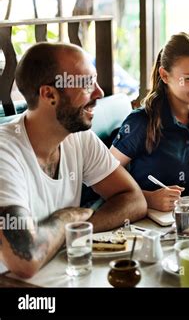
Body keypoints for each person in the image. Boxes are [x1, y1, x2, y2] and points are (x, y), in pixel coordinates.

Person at [0, 42, 147, 278]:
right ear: (49, 94)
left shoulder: (78, 138)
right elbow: (24, 257)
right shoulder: (4, 152)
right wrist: (67, 216)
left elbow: (134, 199)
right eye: (87, 83)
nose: (99, 93)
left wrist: (77, 231)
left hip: (60, 273)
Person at [111, 32, 189, 211]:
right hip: (147, 221)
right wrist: (148, 199)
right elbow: (102, 177)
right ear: (165, 76)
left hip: (188, 221)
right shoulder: (141, 121)